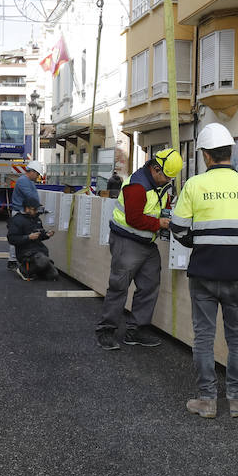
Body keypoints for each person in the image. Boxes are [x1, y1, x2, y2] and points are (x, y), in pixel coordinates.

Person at [169, 123, 238, 420]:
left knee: (203, 337)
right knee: (237, 337)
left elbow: (178, 228)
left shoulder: (194, 186)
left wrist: (198, 243)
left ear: (206, 157)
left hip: (203, 274)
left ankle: (207, 400)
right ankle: (237, 401)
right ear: (230, 154)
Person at [94, 148, 181, 351]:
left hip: (146, 242)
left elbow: (160, 206)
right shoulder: (137, 185)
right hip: (127, 241)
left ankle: (136, 330)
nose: (168, 181)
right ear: (156, 169)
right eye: (166, 176)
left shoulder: (161, 184)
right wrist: (159, 223)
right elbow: (134, 218)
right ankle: (106, 331)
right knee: (118, 287)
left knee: (149, 286)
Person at [7, 200, 58, 280]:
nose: (36, 211)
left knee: (53, 275)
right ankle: (23, 270)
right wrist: (28, 237)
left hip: (39, 251)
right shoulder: (16, 220)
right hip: (25, 252)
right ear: (27, 209)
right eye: (34, 209)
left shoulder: (36, 219)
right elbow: (11, 239)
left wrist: (46, 235)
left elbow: (39, 235)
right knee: (43, 260)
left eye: (37, 209)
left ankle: (35, 270)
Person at [8, 160, 45, 269]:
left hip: (25, 213)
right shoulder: (23, 181)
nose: (37, 176)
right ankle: (12, 260)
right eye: (37, 174)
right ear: (32, 172)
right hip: (20, 212)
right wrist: (38, 207)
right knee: (16, 236)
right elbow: (30, 196)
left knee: (24, 237)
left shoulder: (29, 181)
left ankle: (19, 259)